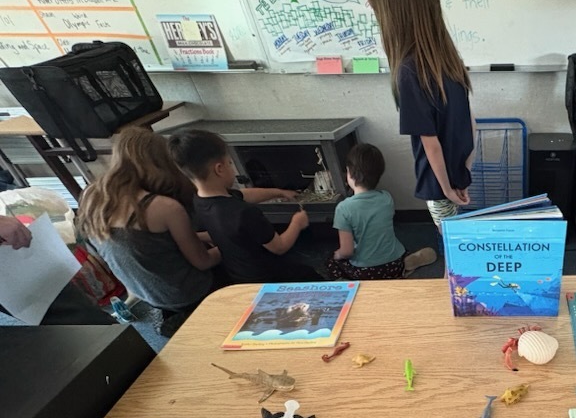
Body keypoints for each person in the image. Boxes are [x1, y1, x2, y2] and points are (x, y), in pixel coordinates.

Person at [366, 0, 475, 229]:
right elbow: (471, 124)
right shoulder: (449, 59)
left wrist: (447, 189)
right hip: (456, 174)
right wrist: (463, 173)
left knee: (450, 241)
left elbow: (431, 144)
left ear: (389, 7)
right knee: (455, 234)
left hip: (438, 182)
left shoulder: (408, 71)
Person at [77, 128, 221, 336]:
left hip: (144, 293)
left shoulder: (91, 196)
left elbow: (148, 245)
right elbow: (203, 261)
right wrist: (230, 243)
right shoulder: (164, 207)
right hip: (187, 293)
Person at [168, 128, 321, 284]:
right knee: (310, 274)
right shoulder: (244, 213)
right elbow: (279, 247)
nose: (232, 167)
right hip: (267, 277)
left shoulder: (200, 201)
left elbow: (244, 194)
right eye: (229, 163)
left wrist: (279, 192)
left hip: (238, 276)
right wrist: (297, 222)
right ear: (219, 169)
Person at [326, 143, 437, 280]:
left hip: (365, 270)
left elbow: (347, 251)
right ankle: (404, 266)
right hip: (394, 262)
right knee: (394, 249)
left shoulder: (343, 208)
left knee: (332, 262)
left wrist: (338, 254)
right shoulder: (386, 198)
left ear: (349, 173)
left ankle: (350, 283)